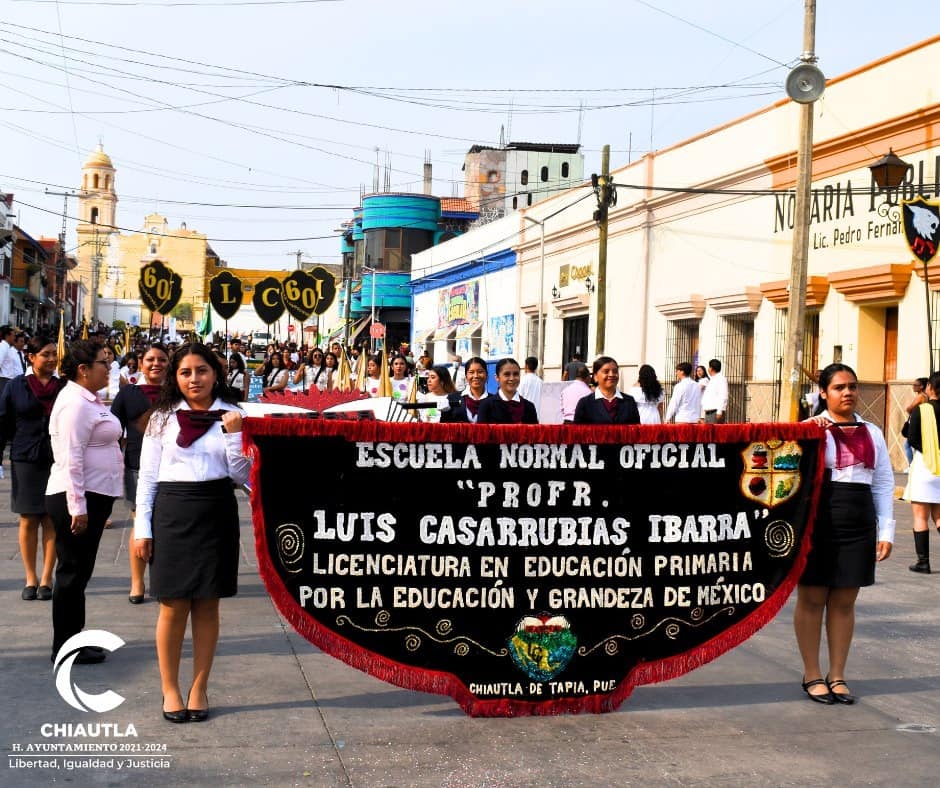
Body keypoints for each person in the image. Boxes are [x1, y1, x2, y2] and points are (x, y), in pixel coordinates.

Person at [134, 343, 252, 723]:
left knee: (207, 603)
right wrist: (142, 527)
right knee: (172, 605)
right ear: (175, 377)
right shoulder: (162, 418)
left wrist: (236, 437)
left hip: (216, 508)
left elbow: (244, 477)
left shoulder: (234, 414)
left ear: (215, 373)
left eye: (201, 370)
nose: (194, 379)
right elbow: (147, 477)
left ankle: (199, 687)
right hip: (172, 510)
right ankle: (170, 688)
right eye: (185, 372)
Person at [795, 363, 894, 704]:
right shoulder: (809, 429)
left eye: (852, 386)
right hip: (818, 518)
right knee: (812, 598)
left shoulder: (873, 432)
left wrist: (887, 530)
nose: (848, 392)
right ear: (824, 393)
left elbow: (882, 483)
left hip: (859, 519)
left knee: (844, 600)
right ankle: (811, 674)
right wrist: (809, 435)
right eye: (839, 387)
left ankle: (837, 675)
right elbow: (786, 472)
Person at [46, 340, 123, 664]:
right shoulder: (75, 404)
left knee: (78, 574)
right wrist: (78, 507)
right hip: (78, 496)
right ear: (83, 369)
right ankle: (64, 647)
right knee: (71, 574)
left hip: (93, 494)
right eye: (103, 363)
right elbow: (71, 458)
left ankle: (73, 639)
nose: (109, 368)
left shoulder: (87, 399)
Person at [0, 336, 66, 601]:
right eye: (45, 354)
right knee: (28, 517)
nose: (51, 359)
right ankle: (30, 577)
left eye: (54, 354)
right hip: (25, 456)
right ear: (31, 357)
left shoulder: (64, 387)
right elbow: (3, 421)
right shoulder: (16, 386)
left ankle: (47, 578)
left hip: (56, 458)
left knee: (51, 517)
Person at [111, 344, 169, 603]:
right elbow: (113, 429)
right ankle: (137, 581)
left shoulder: (178, 393)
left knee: (166, 524)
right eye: (150, 359)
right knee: (140, 521)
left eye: (162, 359)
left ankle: (165, 577)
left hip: (173, 468)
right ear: (140, 363)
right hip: (136, 464)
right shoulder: (128, 394)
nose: (156, 363)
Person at [905, 371, 940, 574]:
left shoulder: (922, 410)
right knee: (938, 515)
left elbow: (911, 438)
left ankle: (923, 562)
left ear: (930, 388)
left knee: (920, 516)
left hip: (925, 466)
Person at [574, 356, 641, 424]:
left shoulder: (629, 401)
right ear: (595, 377)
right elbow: (577, 432)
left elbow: (636, 431)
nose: (611, 375)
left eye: (615, 371)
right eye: (606, 371)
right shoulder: (585, 403)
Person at [476, 358, 539, 424]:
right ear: (497, 377)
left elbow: (534, 433)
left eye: (515, 374)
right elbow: (481, 433)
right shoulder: (486, 405)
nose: (512, 378)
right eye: (507, 374)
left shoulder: (529, 407)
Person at [904, 378, 929, 468]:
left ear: (921, 386)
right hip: (922, 422)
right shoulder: (925, 396)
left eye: (915, 385)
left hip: (918, 423)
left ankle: (911, 466)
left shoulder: (921, 396)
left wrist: (914, 416)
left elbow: (909, 408)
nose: (913, 387)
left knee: (907, 444)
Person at [461, 357, 490, 423]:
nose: (476, 376)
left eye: (480, 372)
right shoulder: (453, 398)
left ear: (487, 375)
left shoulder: (495, 401)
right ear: (466, 376)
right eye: (471, 372)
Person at [700, 358, 728, 423]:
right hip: (708, 413)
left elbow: (723, 395)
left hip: (715, 412)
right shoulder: (712, 379)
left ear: (711, 368)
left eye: (709, 367)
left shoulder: (721, 379)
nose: (708, 369)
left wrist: (719, 411)